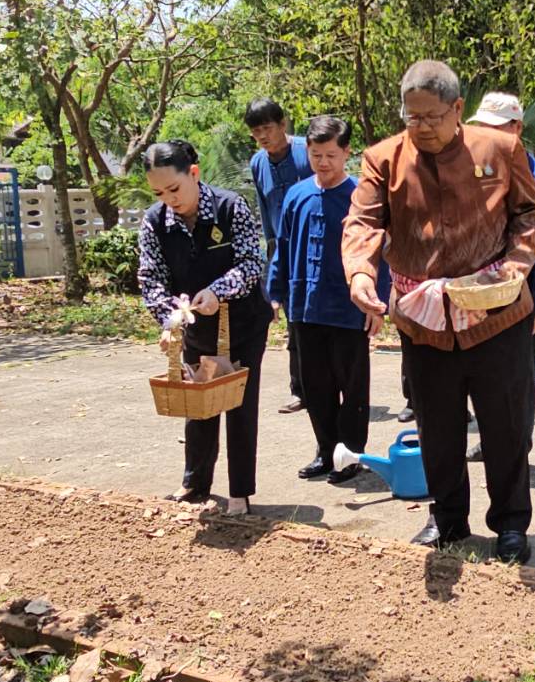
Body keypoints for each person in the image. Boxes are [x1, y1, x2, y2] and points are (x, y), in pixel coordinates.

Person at [342, 59, 535, 564]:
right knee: (438, 428)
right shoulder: (383, 159)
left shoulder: (499, 148)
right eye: (412, 117)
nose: (422, 128)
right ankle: (450, 519)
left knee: (504, 427)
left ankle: (510, 526)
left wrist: (515, 269)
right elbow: (363, 222)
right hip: (424, 322)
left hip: (494, 317)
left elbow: (531, 213)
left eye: (432, 117)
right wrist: (362, 274)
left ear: (458, 109)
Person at [137, 140, 271, 513]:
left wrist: (217, 292)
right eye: (159, 193)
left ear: (193, 174)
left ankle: (240, 492)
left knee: (238, 404)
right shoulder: (154, 221)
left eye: (175, 189)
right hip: (193, 325)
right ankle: (195, 483)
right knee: (199, 404)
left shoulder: (231, 207)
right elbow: (151, 278)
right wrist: (169, 319)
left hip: (243, 322)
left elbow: (249, 263)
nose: (170, 199)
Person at [268, 116, 389, 485]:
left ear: (347, 152)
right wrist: (274, 293)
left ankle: (350, 455)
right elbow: (283, 247)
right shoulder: (297, 194)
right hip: (305, 306)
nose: (323, 163)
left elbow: (378, 253)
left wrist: (377, 303)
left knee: (351, 385)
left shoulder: (361, 198)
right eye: (316, 154)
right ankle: (325, 450)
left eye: (331, 155)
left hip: (349, 307)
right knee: (315, 384)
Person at [465, 91, 535, 463]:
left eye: (498, 128)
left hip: (521, 299)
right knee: (484, 376)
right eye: (483, 128)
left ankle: (516, 446)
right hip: (481, 297)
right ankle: (491, 441)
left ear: (517, 128)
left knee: (518, 381)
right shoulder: (478, 171)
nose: (489, 136)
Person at [246, 98, 313, 415]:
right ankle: (301, 390)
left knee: (321, 319)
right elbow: (263, 204)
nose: (263, 136)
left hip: (315, 246)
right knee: (293, 321)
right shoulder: (257, 163)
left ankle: (331, 387)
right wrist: (270, 248)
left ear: (283, 125)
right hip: (282, 250)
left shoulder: (307, 151)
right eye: (256, 131)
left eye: (268, 128)